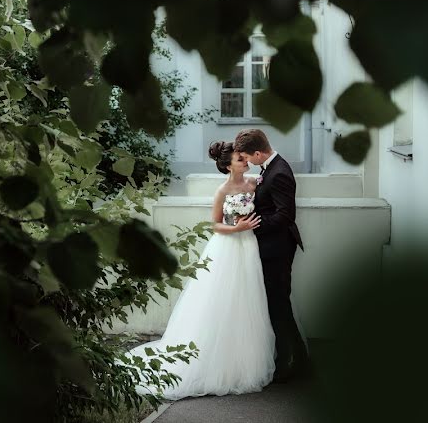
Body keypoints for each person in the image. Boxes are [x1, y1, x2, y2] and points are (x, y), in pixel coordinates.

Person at [124, 141, 274, 400]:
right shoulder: (223, 190)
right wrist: (236, 229)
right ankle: (214, 362)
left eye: (244, 158)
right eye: (240, 159)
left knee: (247, 301)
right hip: (227, 246)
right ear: (228, 165)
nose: (245, 161)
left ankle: (243, 360)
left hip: (249, 248)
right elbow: (214, 225)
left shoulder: (255, 183)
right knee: (220, 300)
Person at [233, 129, 309, 382]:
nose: (247, 162)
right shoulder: (269, 168)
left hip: (277, 248)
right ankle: (291, 358)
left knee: (278, 305)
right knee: (276, 304)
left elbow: (286, 215)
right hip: (271, 246)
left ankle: (293, 364)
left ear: (257, 152)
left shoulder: (279, 172)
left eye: (247, 156)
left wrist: (255, 224)